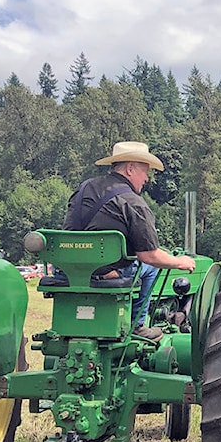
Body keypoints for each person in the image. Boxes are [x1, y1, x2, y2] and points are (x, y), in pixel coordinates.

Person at [63, 141, 196, 341]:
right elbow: (149, 255)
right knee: (150, 269)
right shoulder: (133, 203)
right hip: (107, 272)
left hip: (71, 270)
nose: (147, 179)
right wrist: (180, 262)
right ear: (130, 168)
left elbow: (71, 231)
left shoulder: (84, 189)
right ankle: (137, 325)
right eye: (145, 172)